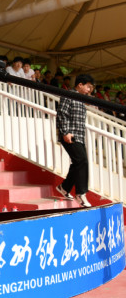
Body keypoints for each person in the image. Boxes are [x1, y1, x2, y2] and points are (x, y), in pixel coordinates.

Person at [55, 74, 95, 207]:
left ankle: (64, 187)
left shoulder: (81, 99)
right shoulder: (69, 95)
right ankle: (81, 193)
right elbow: (62, 114)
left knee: (78, 163)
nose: (89, 90)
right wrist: (65, 132)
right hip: (70, 135)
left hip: (79, 136)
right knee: (82, 161)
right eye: (88, 87)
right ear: (80, 85)